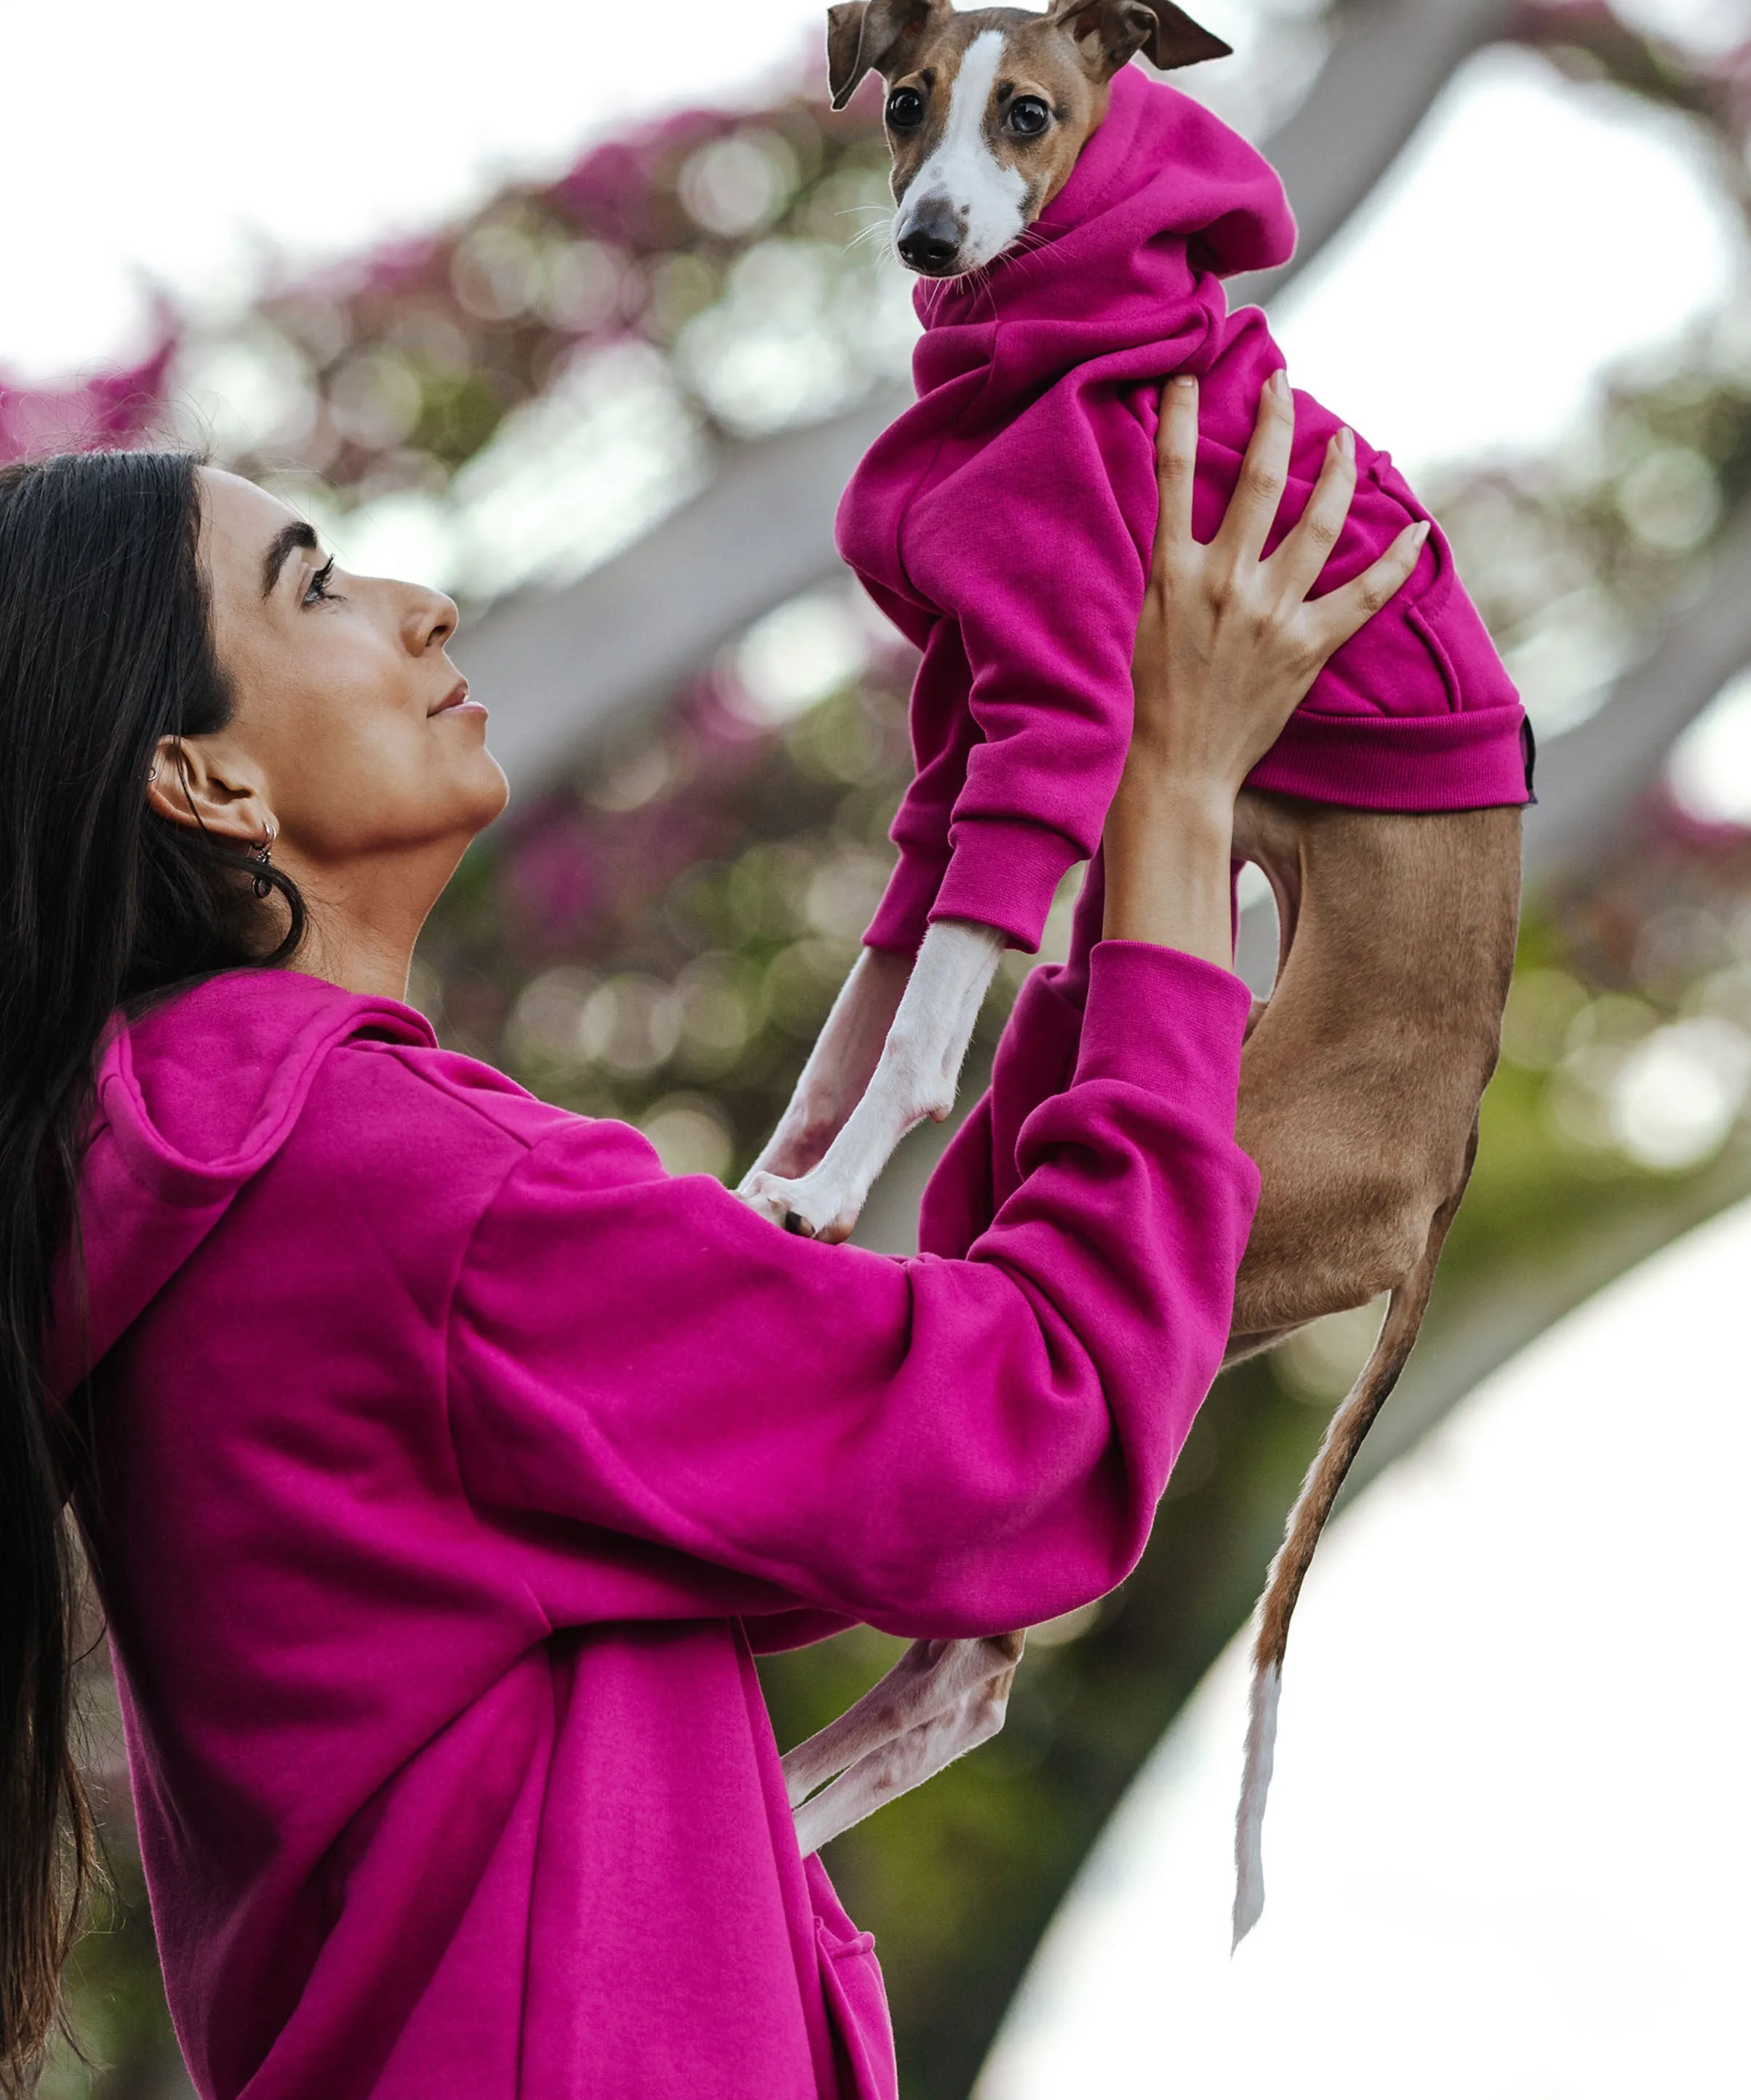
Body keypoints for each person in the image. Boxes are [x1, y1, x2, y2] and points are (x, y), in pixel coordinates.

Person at [0, 377, 1413, 2100]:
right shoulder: (385, 1186)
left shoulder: (215, 1187)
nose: (415, 602)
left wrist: (1096, 909)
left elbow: (855, 1458)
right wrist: (1178, 809)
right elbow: (1037, 1442)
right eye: (312, 585)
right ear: (198, 779)